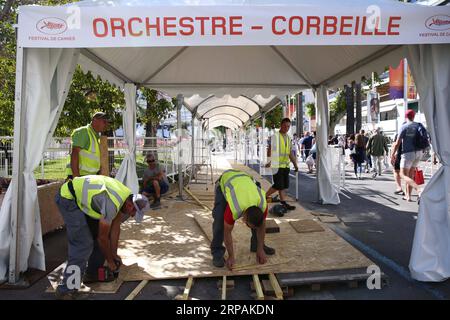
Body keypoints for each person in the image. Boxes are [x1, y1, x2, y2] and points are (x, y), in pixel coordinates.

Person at [54, 175, 149, 300]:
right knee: (83, 245)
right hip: (68, 198)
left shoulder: (125, 197)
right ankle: (66, 290)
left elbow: (115, 229)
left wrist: (114, 255)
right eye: (133, 214)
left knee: (99, 238)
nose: (131, 216)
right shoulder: (112, 204)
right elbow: (102, 239)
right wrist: (110, 261)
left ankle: (92, 273)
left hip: (82, 200)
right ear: (130, 206)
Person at [211, 169, 275, 270]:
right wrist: (231, 256)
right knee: (219, 220)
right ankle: (217, 252)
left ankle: (257, 245)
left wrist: (260, 248)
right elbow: (227, 232)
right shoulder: (234, 208)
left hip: (246, 180)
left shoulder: (263, 204)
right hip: (226, 182)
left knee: (256, 221)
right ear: (244, 218)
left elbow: (261, 226)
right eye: (249, 225)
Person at [391, 110, 427, 202]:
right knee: (410, 175)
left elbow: (397, 143)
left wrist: (392, 155)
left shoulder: (404, 126)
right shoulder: (418, 125)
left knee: (402, 174)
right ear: (414, 116)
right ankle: (408, 196)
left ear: (406, 117)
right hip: (419, 153)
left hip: (408, 153)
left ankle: (419, 189)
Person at [265, 118, 299, 210]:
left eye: (288, 126)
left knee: (283, 186)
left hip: (285, 165)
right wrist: (269, 161)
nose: (286, 128)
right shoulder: (275, 136)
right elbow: (269, 149)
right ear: (281, 125)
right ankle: (264, 196)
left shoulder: (288, 138)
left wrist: (295, 164)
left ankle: (283, 202)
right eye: (285, 125)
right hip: (276, 165)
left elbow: (290, 153)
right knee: (278, 185)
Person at [65, 112, 109, 179]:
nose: (106, 125)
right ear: (95, 120)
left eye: (107, 122)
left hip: (88, 177)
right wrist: (76, 177)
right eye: (104, 122)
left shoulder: (95, 136)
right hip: (80, 177)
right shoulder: (84, 132)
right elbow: (74, 153)